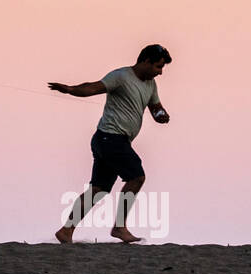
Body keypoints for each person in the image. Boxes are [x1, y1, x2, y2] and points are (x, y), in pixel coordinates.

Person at [48, 44, 171, 244]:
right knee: (137, 177)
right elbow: (93, 87)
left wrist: (161, 115)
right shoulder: (121, 76)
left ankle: (66, 231)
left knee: (99, 190)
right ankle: (119, 228)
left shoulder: (150, 85)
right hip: (110, 138)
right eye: (158, 67)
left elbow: (156, 107)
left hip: (109, 140)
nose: (160, 72)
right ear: (146, 61)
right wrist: (71, 89)